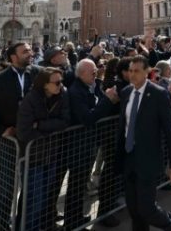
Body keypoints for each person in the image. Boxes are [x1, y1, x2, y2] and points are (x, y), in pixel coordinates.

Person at [115, 55, 171, 230]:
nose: (132, 74)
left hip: (148, 159)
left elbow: (170, 131)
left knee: (146, 208)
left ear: (147, 72)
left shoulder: (158, 94)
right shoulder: (126, 93)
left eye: (137, 71)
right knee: (134, 210)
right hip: (129, 157)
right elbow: (124, 125)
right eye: (130, 71)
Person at [0, 42, 38, 231]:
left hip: (34, 141)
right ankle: (3, 225)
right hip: (8, 143)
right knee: (6, 187)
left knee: (30, 186)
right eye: (25, 51)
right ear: (13, 56)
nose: (30, 53)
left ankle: (22, 223)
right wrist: (1, 130)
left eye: (30, 50)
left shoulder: (38, 74)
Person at [64, 59, 120, 230]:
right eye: (92, 71)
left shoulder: (93, 86)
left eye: (96, 70)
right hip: (79, 144)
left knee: (81, 183)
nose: (96, 73)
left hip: (91, 142)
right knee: (76, 184)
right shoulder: (75, 91)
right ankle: (72, 221)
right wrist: (108, 99)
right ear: (81, 74)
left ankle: (77, 217)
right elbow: (88, 118)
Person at [16, 67, 71, 231]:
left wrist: (40, 125)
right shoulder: (30, 99)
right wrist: (49, 131)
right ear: (45, 84)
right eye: (57, 82)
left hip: (51, 155)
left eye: (61, 82)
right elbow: (23, 131)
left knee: (44, 199)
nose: (61, 85)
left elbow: (65, 122)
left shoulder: (62, 95)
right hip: (33, 158)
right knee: (33, 200)